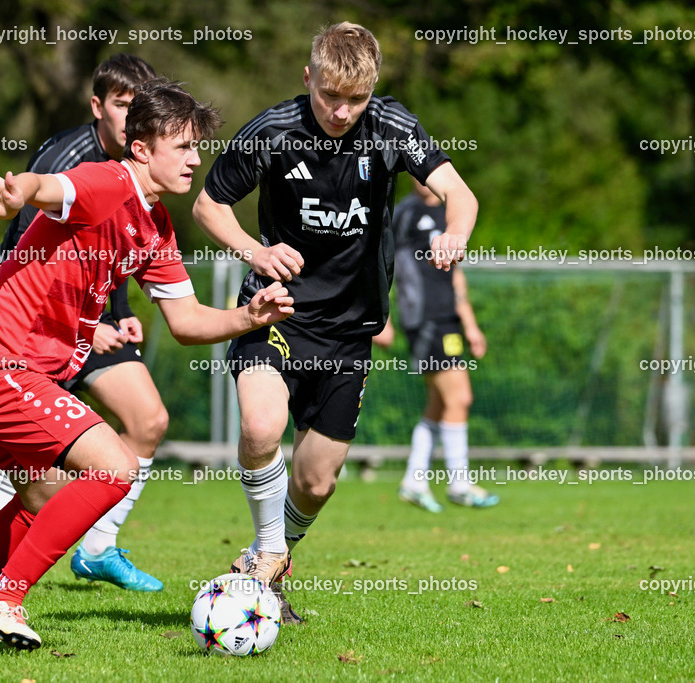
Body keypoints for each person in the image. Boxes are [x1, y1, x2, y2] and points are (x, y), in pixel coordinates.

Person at [0, 80, 294, 651]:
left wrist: (250, 316)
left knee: (39, 495)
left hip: (6, 366)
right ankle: (3, 600)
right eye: (183, 147)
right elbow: (44, 186)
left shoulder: (155, 225)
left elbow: (188, 321)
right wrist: (13, 193)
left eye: (198, 146)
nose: (196, 159)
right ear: (142, 148)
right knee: (115, 467)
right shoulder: (107, 182)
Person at [191, 22, 478, 623]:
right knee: (262, 424)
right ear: (308, 78)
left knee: (317, 482)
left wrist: (454, 233)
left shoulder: (393, 126)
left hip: (350, 330)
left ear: (374, 90)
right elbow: (208, 205)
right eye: (329, 96)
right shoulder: (273, 131)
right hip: (276, 311)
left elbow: (460, 193)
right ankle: (269, 549)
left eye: (356, 99)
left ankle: (268, 560)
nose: (342, 111)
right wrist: (256, 252)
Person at [0, 54, 169, 596]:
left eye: (142, 109)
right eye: (125, 107)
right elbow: (29, 255)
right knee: (36, 462)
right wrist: (88, 323)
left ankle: (98, 548)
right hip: (33, 328)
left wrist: (121, 313)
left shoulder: (137, 173)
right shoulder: (72, 160)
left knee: (148, 419)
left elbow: (111, 249)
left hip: (89, 323)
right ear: (97, 106)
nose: (134, 121)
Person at [373, 178, 497, 512]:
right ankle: (459, 483)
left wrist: (470, 324)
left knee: (440, 404)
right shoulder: (403, 214)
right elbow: (377, 263)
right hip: (424, 321)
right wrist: (380, 318)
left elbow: (455, 274)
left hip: (448, 319)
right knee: (460, 397)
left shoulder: (447, 214)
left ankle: (414, 480)